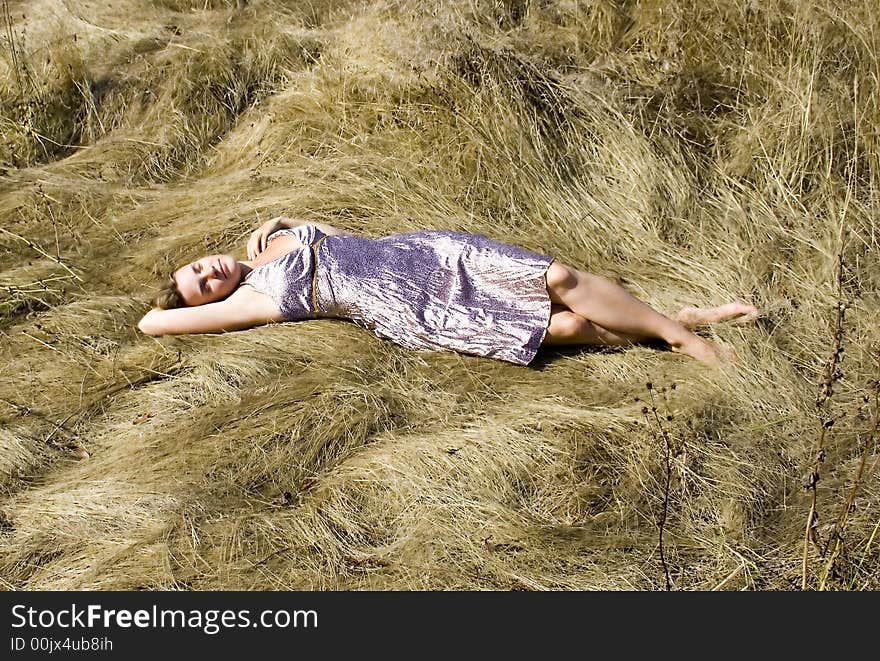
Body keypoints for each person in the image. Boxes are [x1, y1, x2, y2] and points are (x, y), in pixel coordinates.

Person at [138, 216, 758, 366]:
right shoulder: (253, 302)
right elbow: (149, 325)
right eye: (202, 286)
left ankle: (677, 330)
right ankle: (679, 324)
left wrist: (271, 220)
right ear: (212, 304)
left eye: (198, 266)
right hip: (411, 305)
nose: (209, 272)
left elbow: (334, 234)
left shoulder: (268, 244)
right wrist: (192, 309)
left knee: (561, 280)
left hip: (429, 253)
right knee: (562, 326)